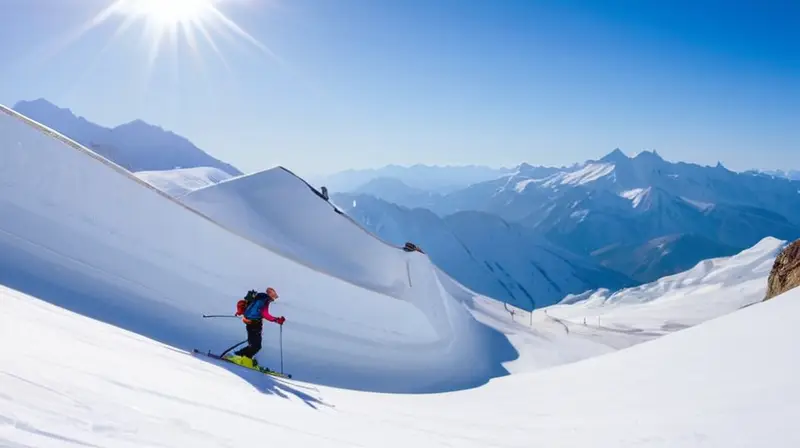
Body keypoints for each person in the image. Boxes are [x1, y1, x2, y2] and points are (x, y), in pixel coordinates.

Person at [228, 287, 285, 368]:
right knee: (256, 346)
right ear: (271, 295)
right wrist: (277, 320)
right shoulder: (264, 300)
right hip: (254, 324)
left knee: (255, 345)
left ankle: (246, 359)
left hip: (251, 323)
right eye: (274, 296)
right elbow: (265, 314)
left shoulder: (259, 297)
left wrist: (240, 312)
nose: (274, 299)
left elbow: (249, 305)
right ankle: (238, 355)